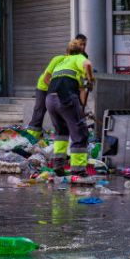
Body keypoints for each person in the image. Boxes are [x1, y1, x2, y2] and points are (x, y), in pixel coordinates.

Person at [45, 39, 94, 174]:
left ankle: (58, 166)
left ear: (67, 51)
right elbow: (88, 65)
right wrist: (91, 80)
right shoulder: (78, 58)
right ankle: (78, 171)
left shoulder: (61, 61)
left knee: (61, 132)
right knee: (80, 133)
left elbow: (46, 79)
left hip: (50, 98)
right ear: (81, 51)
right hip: (65, 97)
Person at [26, 52, 67, 141]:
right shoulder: (59, 59)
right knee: (39, 112)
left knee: (59, 113)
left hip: (56, 88)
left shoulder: (74, 65)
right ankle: (30, 138)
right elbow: (46, 79)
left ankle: (61, 137)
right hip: (44, 87)